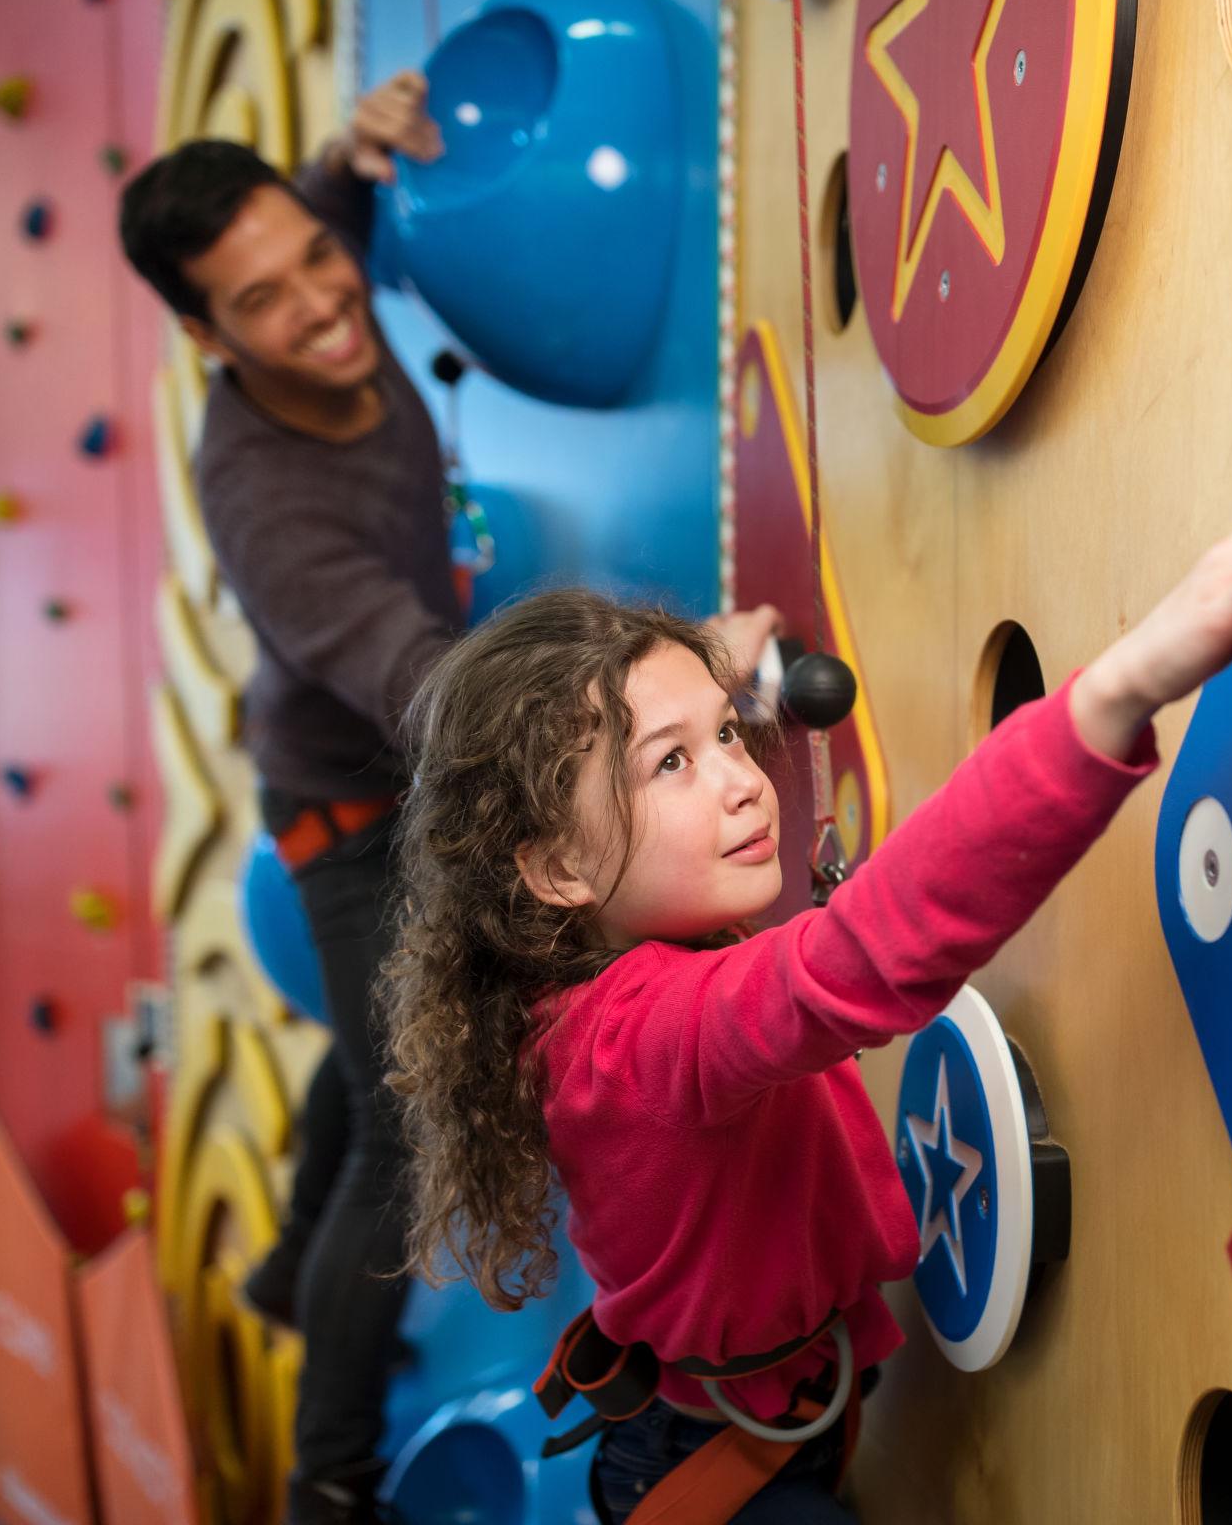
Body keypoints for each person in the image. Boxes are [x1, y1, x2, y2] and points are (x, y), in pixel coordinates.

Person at [382, 509, 1232, 1522]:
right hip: (717, 1465)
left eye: (724, 732)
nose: (739, 783)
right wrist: (1123, 687)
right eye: (671, 764)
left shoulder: (628, 950)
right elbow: (855, 957)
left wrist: (682, 694)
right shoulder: (631, 1041)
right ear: (553, 868)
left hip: (766, 1411)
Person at [118, 81, 776, 1521]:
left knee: (365, 1076)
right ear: (204, 336)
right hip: (357, 820)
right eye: (265, 299)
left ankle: (291, 1268)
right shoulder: (274, 510)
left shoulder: (309, 248)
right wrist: (650, 690)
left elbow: (321, 210)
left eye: (314, 253)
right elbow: (428, 693)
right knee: (404, 1127)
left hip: (379, 775)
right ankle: (328, 1481)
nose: (320, 302)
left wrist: (357, 156)